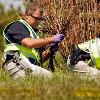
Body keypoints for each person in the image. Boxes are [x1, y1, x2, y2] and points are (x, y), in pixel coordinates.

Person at [2, 2, 64, 79]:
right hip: (16, 64)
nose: (38, 21)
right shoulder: (17, 26)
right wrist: (51, 39)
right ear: (27, 15)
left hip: (27, 65)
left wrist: (49, 51)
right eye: (36, 18)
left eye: (40, 19)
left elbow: (38, 61)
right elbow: (28, 43)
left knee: (52, 79)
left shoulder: (34, 34)